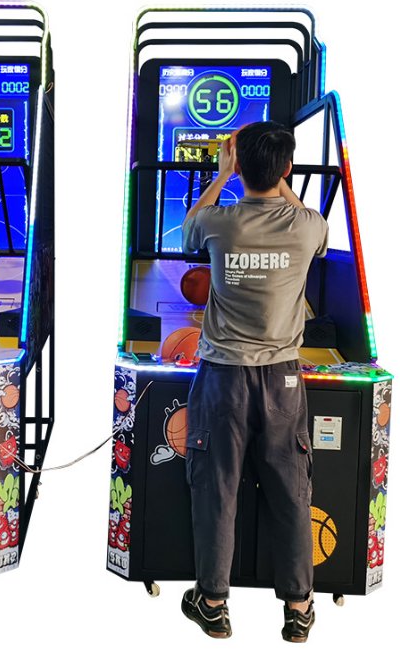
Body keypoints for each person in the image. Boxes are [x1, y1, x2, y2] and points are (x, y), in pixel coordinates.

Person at [179, 122, 328, 642]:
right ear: (287, 168)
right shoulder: (307, 227)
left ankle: (213, 603)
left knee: (217, 488)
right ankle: (298, 608)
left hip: (223, 376)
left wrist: (224, 176)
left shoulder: (218, 222)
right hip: (283, 378)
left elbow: (188, 229)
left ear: (239, 164)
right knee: (291, 491)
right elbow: (310, 226)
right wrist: (278, 178)